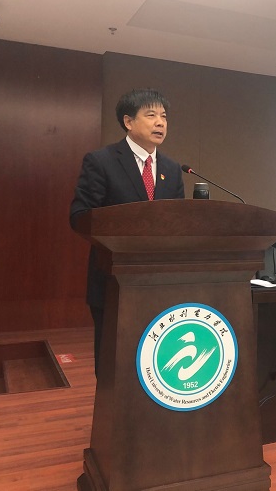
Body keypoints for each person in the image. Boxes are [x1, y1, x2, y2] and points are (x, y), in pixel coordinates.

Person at [70, 88, 185, 375]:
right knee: (114, 365)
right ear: (128, 121)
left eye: (164, 117)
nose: (160, 123)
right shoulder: (101, 161)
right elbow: (80, 216)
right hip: (113, 280)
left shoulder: (172, 169)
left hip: (160, 283)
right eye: (151, 115)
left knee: (155, 364)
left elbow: (179, 222)